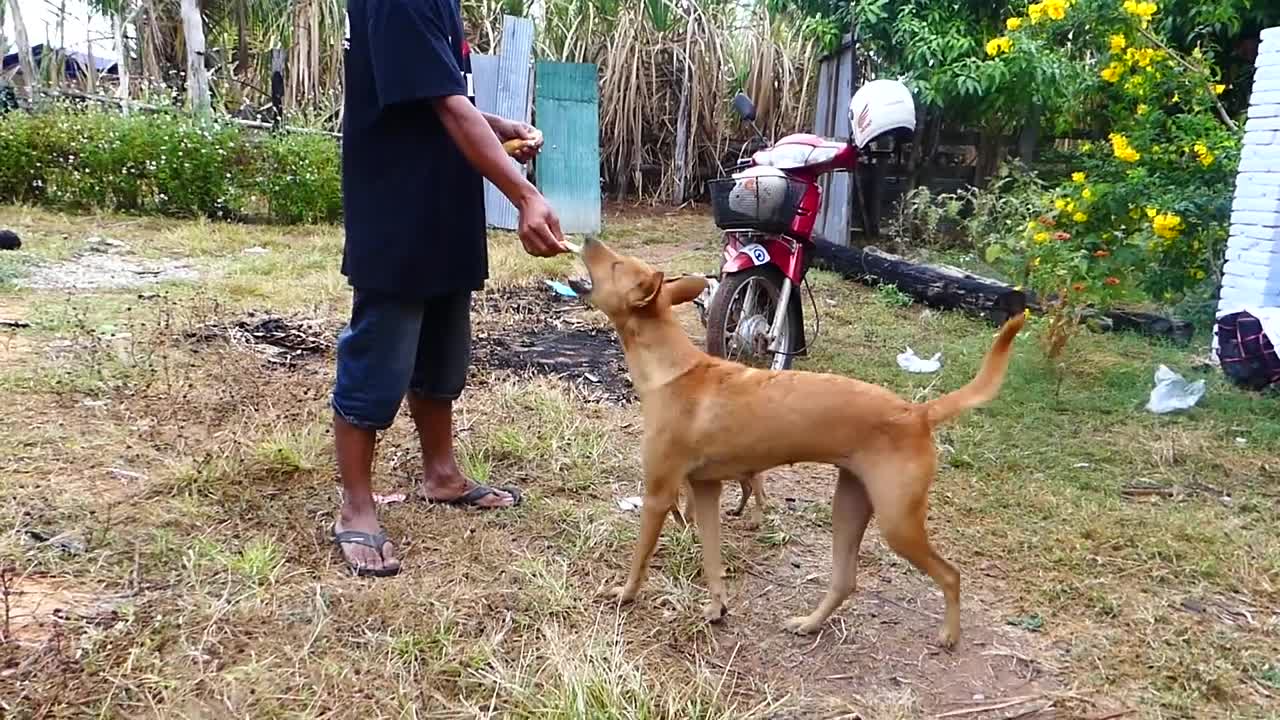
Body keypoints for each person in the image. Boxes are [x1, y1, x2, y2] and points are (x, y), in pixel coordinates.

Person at [332, 0, 568, 576]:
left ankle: (441, 475)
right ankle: (355, 508)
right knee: (380, 357)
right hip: (398, 207)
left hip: (441, 203)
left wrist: (503, 127)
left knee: (443, 350)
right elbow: (446, 105)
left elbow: (439, 94)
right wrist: (527, 195)